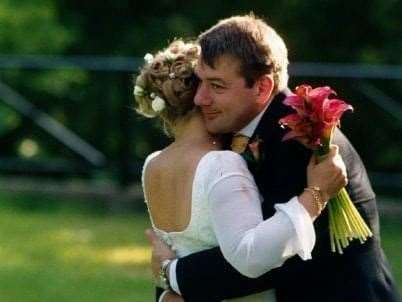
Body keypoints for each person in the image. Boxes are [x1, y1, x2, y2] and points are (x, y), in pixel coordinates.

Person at [147, 15, 401, 302]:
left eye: (217, 86)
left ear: (262, 87)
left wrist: (172, 273)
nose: (199, 98)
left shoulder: (305, 141)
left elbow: (268, 260)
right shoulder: (226, 130)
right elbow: (197, 235)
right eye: (200, 83)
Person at [134, 39, 347, 302]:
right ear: (198, 96)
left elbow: (176, 249)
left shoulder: (152, 164)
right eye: (211, 85)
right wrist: (316, 195)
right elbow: (252, 255)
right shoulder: (220, 163)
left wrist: (167, 285)